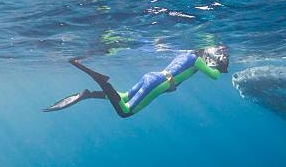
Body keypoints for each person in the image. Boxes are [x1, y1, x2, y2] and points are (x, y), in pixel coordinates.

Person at [43, 46, 229, 118]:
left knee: (123, 96)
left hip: (153, 76)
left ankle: (89, 95)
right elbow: (214, 76)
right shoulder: (197, 61)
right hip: (160, 83)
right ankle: (99, 80)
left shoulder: (186, 54)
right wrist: (219, 67)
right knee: (125, 112)